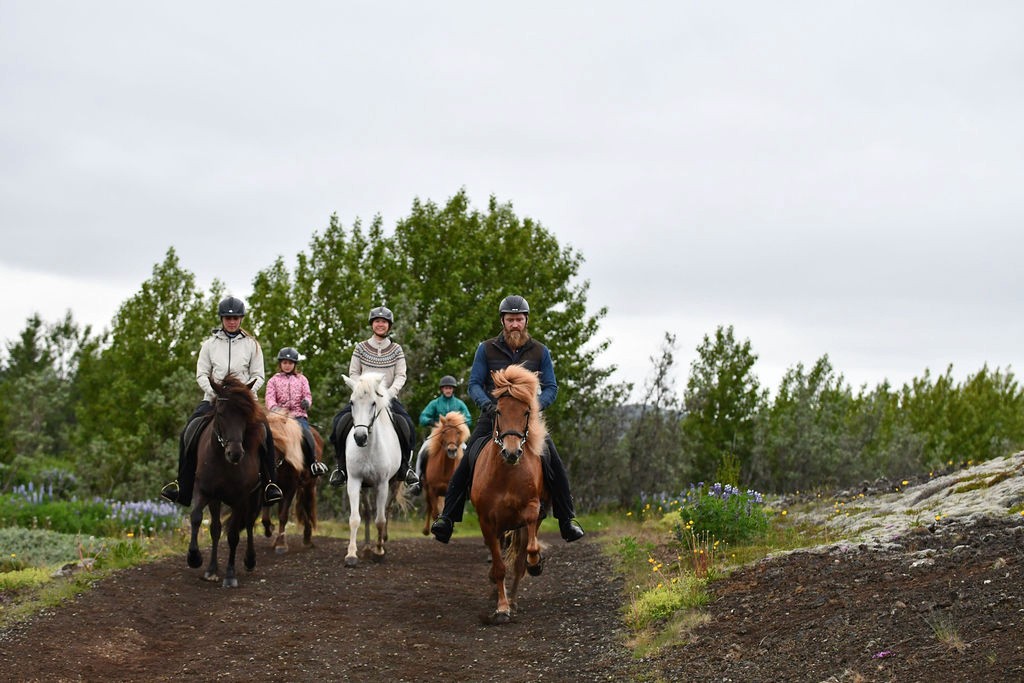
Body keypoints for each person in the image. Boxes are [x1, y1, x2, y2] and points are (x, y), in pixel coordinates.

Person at [430, 295, 585, 543]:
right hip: (493, 417)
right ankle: (447, 518)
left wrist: (534, 407)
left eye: (519, 319)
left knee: (553, 459)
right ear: (503, 320)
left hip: (526, 421)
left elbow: (551, 388)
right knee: (468, 458)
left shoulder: (539, 351)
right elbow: (474, 384)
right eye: (510, 319)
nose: (515, 324)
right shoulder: (487, 348)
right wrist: (489, 407)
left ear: (526, 321)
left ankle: (567, 520)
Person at [160, 296, 283, 506]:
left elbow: (259, 375)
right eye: (228, 318)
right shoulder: (209, 345)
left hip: (243, 402)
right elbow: (201, 374)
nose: (232, 322)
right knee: (188, 430)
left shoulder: (252, 345)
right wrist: (214, 393)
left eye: (235, 318)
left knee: (265, 431)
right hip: (214, 398)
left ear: (241, 319)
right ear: (221, 319)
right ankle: (182, 485)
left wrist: (243, 394)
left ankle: (270, 484)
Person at [328, 305, 422, 496]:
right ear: (372, 324)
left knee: (407, 425)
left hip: (387, 398)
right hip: (363, 398)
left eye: (384, 322)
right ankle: (340, 468)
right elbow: (353, 372)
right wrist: (360, 389)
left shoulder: (396, 349)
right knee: (339, 422)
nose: (380, 324)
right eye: (377, 321)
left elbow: (401, 375)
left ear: (389, 326)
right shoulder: (360, 347)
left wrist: (390, 393)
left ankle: (405, 467)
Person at [265, 347, 329, 477]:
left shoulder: (302, 379)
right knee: (266, 436)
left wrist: (306, 402)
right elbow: (269, 398)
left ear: (294, 364)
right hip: (279, 418)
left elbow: (307, 395)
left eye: (290, 363)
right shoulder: (273, 380)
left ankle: (313, 463)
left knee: (308, 435)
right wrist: (274, 408)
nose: (287, 366)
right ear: (280, 364)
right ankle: (265, 466)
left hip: (298, 416)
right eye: (284, 363)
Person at [414, 375, 472, 482]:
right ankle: (418, 480)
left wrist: (459, 424)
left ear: (453, 389)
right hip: (437, 434)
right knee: (422, 451)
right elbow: (423, 417)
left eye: (450, 388)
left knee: (468, 453)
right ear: (442, 389)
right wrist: (431, 421)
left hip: (454, 437)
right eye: (446, 388)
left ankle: (469, 482)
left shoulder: (459, 404)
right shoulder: (435, 403)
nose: (448, 390)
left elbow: (468, 418)